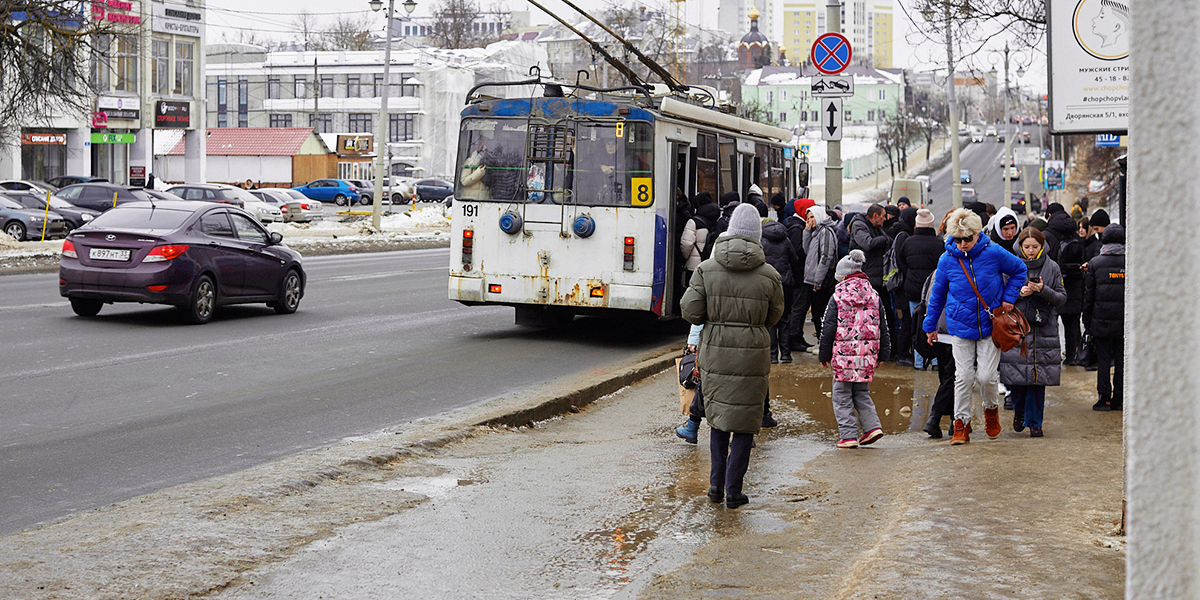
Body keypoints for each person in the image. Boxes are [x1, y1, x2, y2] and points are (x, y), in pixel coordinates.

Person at [680, 203, 785, 509]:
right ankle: (734, 491)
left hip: (715, 355)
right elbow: (774, 316)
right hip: (752, 357)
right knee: (744, 424)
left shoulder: (706, 270)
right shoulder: (769, 275)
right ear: (757, 236)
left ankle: (715, 486)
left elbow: (691, 311)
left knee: (719, 421)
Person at [923, 208, 1027, 445]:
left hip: (990, 326)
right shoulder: (947, 259)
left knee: (988, 376)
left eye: (967, 238)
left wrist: (1009, 299)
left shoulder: (993, 252)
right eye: (957, 239)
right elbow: (937, 295)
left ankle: (991, 411)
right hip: (959, 326)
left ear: (977, 234)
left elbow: (1019, 270)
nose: (962, 244)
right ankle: (961, 423)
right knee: (962, 376)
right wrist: (930, 326)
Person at [817, 249, 890, 448]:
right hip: (866, 355)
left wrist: (823, 354)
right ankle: (872, 427)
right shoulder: (874, 295)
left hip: (843, 355)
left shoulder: (838, 296)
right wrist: (884, 352)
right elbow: (883, 325)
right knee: (861, 392)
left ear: (842, 276)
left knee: (841, 395)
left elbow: (828, 327)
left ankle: (848, 435)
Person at [998, 227, 1066, 438]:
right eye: (1026, 247)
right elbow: (998, 296)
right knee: (1017, 376)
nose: (1030, 251)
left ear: (1042, 246)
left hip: (1043, 329)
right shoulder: (1009, 265)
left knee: (1038, 379)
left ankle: (1035, 422)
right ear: (1020, 246)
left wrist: (1042, 290)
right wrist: (1018, 293)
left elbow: (1062, 298)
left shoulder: (1052, 267)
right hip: (1016, 328)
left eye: (1034, 247)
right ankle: (1019, 412)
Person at [1083, 224, 1125, 411]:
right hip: (1124, 322)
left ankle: (1104, 399)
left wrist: (1087, 320)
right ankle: (1120, 398)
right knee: (1122, 360)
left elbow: (1089, 296)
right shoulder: (1130, 262)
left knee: (1104, 361)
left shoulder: (1095, 263)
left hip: (1100, 320)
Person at [897, 208, 944, 369]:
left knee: (917, 325)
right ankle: (936, 361)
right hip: (934, 291)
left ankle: (918, 362)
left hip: (913, 289)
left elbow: (901, 262)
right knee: (934, 324)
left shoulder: (908, 242)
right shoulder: (939, 243)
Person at [850, 204, 896, 357]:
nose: (885, 219)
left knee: (884, 314)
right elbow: (868, 244)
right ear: (875, 216)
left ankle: (886, 349)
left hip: (877, 277)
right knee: (870, 317)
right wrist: (883, 239)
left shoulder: (874, 227)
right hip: (867, 279)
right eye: (883, 216)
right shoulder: (859, 225)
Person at [762, 213, 802, 364]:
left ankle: (772, 355)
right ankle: (786, 354)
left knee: (770, 319)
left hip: (767, 283)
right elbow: (795, 259)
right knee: (785, 318)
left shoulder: (761, 240)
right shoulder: (785, 240)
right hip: (785, 283)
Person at [803, 205, 840, 347]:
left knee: (823, 313)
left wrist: (818, 280)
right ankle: (821, 342)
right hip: (815, 280)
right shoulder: (816, 232)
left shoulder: (825, 232)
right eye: (808, 218)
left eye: (812, 217)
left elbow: (826, 257)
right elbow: (807, 250)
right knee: (817, 313)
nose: (810, 220)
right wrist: (807, 231)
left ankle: (825, 344)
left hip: (823, 281)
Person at [786, 197, 817, 351]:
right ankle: (794, 338)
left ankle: (797, 336)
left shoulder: (795, 226)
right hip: (799, 276)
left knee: (801, 306)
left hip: (800, 275)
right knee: (799, 307)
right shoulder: (797, 229)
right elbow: (799, 253)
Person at [680, 192, 720, 282]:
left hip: (695, 267)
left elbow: (686, 244)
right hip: (712, 265)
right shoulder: (718, 220)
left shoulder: (693, 222)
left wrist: (686, 258)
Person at [676, 324, 706, 444]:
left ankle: (692, 427)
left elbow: (697, 313)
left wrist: (693, 340)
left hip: (715, 344)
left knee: (702, 386)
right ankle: (744, 435)